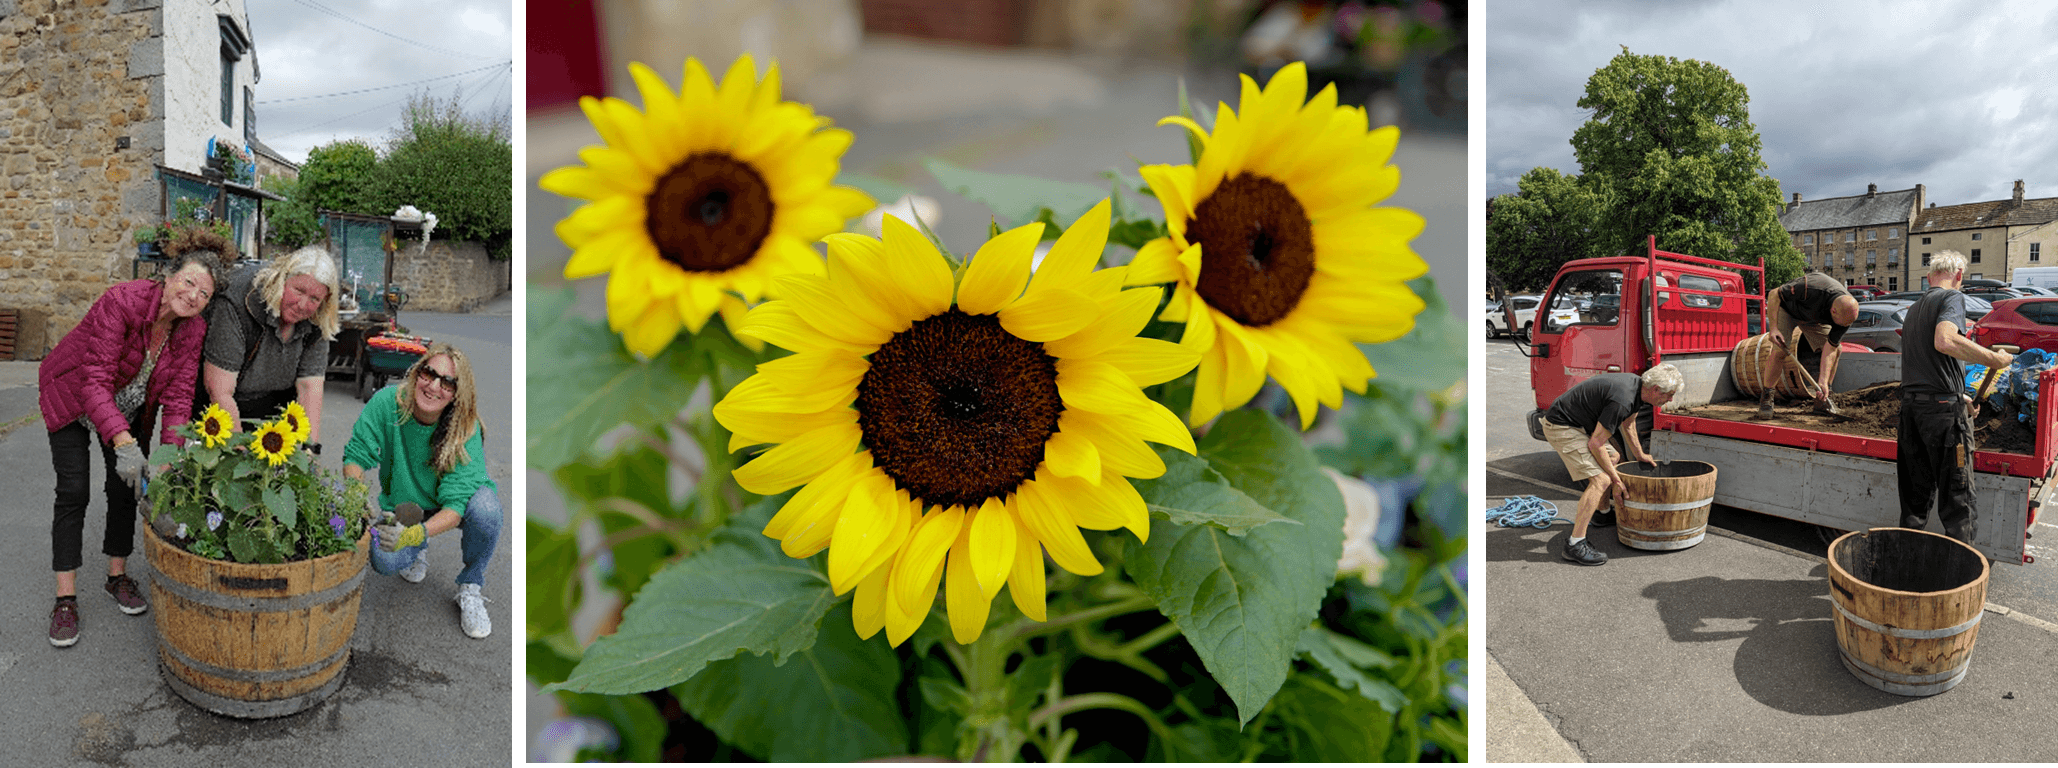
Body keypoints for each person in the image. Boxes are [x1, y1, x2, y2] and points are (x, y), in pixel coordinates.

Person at [38, 250, 223, 646]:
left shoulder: (192, 331)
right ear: (168, 276)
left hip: (126, 404)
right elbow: (94, 382)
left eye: (204, 293)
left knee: (127, 487)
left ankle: (116, 576)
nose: (193, 296)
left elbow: (177, 399)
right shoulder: (122, 302)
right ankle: (65, 598)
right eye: (188, 282)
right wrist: (123, 442)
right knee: (74, 491)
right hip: (72, 393)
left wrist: (166, 462)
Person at [342, 342, 501, 639]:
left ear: (456, 393)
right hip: (408, 505)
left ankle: (470, 586)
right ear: (417, 373)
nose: (434, 386)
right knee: (384, 559)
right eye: (429, 374)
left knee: (487, 511)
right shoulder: (388, 403)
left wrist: (413, 534)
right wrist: (355, 493)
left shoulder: (464, 428)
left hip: (454, 504)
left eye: (448, 382)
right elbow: (356, 455)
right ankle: (417, 552)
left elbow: (455, 508)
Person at [1898, 251, 2013, 546]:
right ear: (1959, 275)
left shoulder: (1913, 309)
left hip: (1912, 413)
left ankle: (1903, 568)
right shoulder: (1952, 298)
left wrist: (1959, 396)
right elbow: (1945, 341)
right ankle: (1958, 578)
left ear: (1928, 279)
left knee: (1914, 501)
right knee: (1958, 499)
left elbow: (1928, 366)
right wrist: (1993, 359)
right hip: (1943, 421)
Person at [195, 245, 340, 452]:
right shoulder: (238, 301)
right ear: (282, 280)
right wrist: (239, 454)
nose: (302, 304)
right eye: (298, 291)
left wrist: (309, 449)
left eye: (314, 299)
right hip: (220, 409)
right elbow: (219, 389)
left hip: (273, 409)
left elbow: (310, 387)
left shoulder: (318, 317)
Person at [1540, 364, 1684, 566]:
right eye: (1669, 394)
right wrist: (1616, 480)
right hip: (1561, 425)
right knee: (1601, 479)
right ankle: (1575, 544)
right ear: (1656, 390)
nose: (1670, 399)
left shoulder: (1637, 389)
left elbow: (1628, 423)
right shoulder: (1623, 399)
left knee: (1614, 457)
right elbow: (1595, 443)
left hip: (1579, 424)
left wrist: (1639, 454)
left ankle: (1602, 513)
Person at [1757, 271, 1862, 418]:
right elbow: (1774, 294)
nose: (1842, 328)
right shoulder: (1811, 287)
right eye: (1840, 324)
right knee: (1780, 350)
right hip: (1787, 310)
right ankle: (1767, 398)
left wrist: (1823, 381)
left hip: (1812, 319)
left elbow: (1830, 348)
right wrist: (1773, 328)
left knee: (1837, 349)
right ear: (1833, 310)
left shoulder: (1846, 315)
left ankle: (1823, 398)